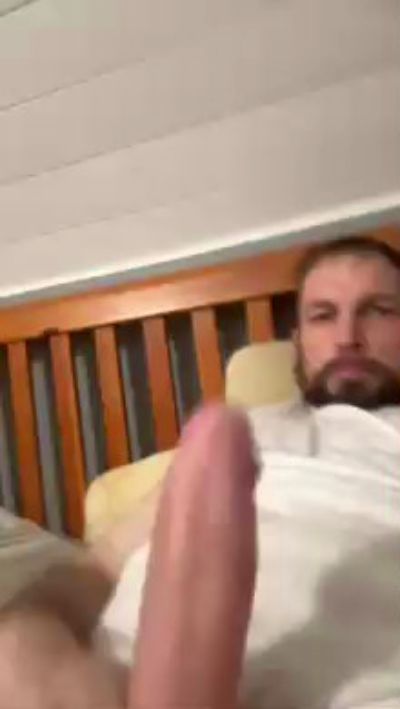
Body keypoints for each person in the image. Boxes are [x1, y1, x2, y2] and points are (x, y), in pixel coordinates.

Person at [1, 234, 400, 708]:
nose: (348, 336)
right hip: (113, 685)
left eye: (379, 310)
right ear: (297, 342)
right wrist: (28, 632)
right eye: (323, 315)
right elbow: (100, 565)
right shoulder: (244, 430)